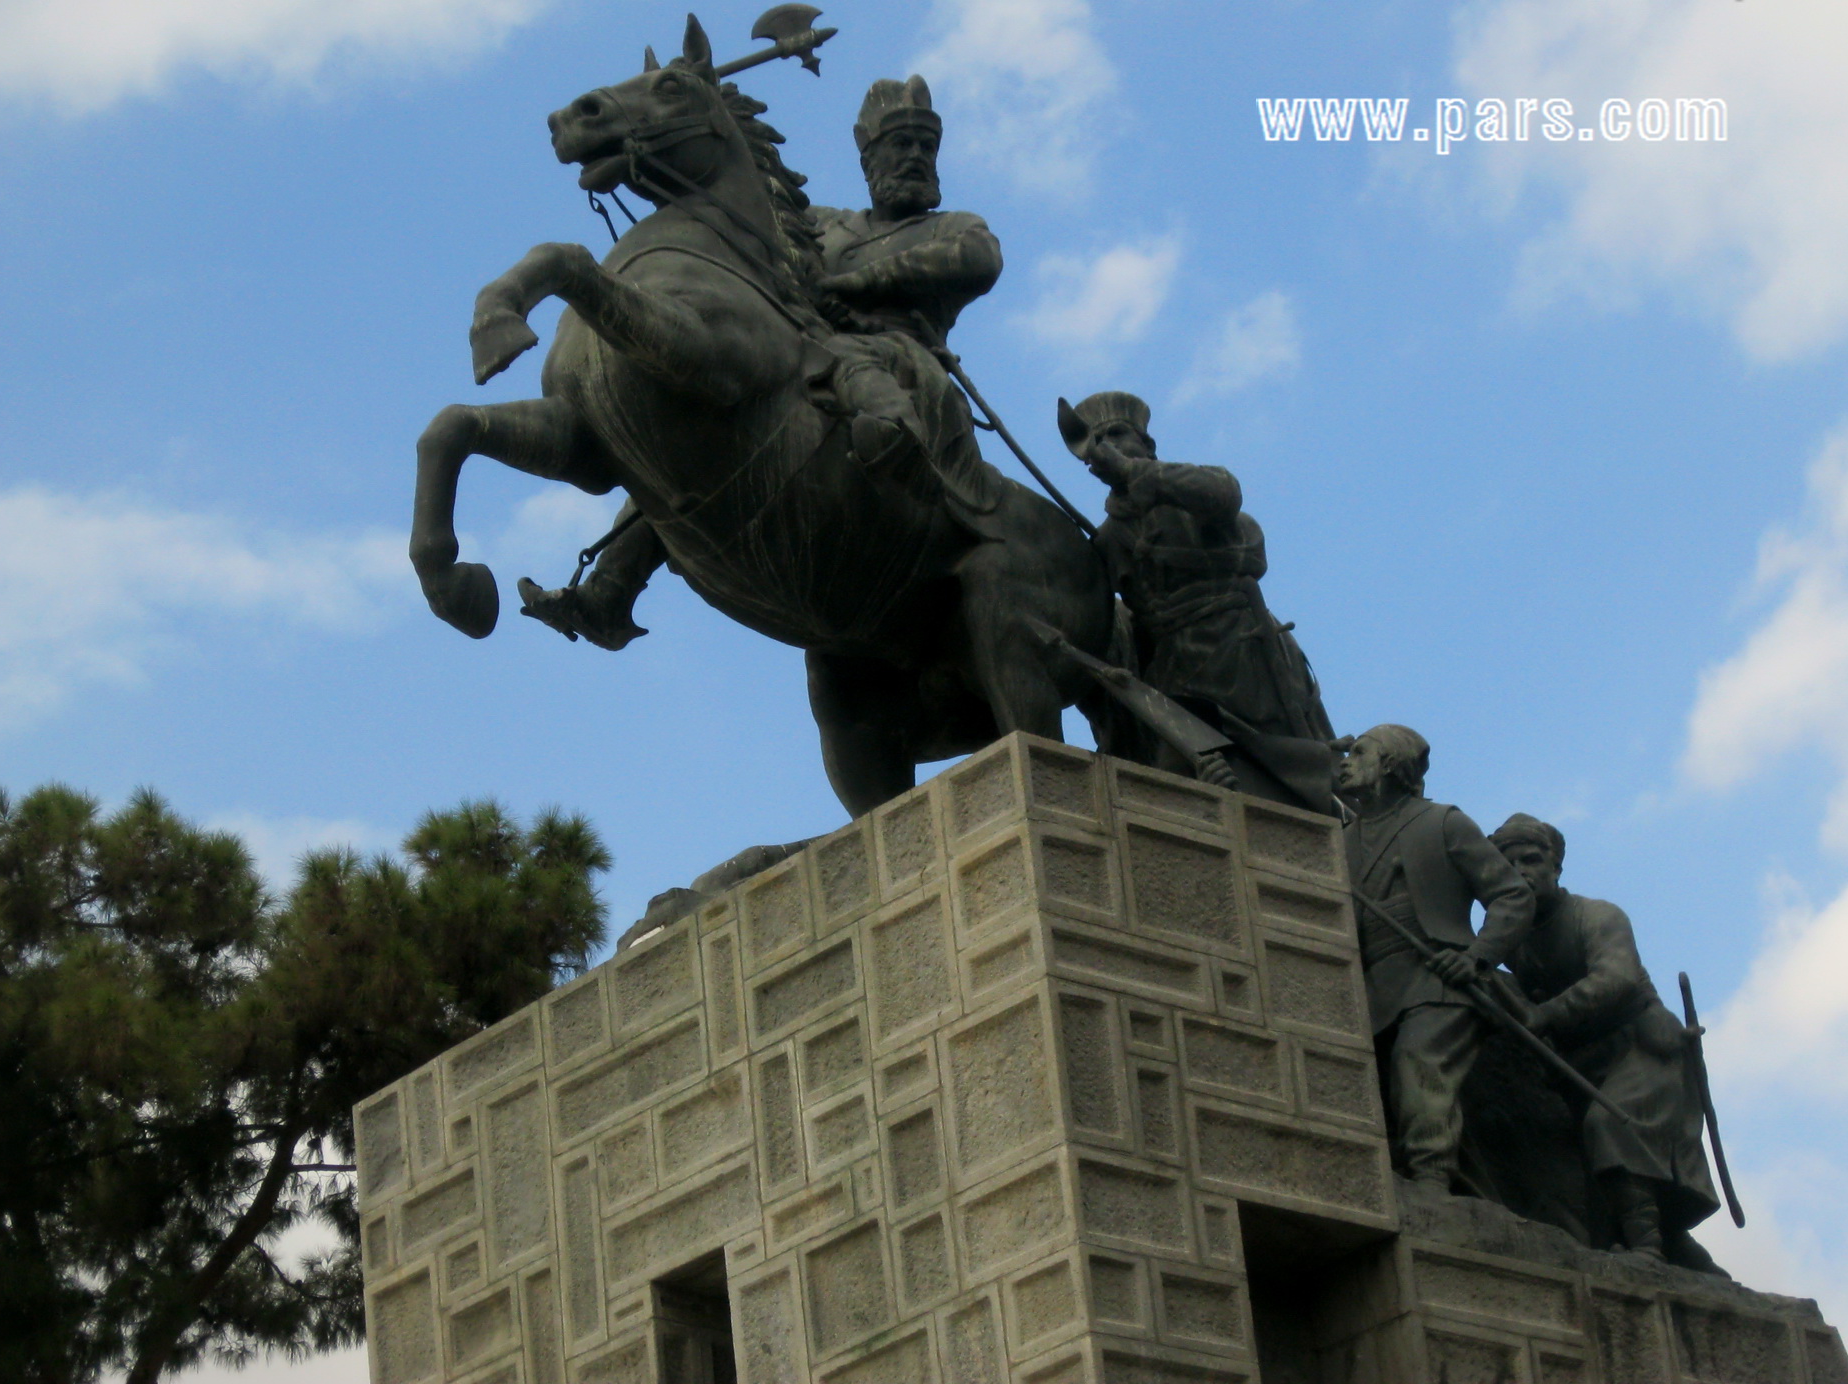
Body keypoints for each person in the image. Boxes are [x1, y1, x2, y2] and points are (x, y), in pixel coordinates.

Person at [518, 75, 1002, 649]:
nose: (915, 157)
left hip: (889, 354)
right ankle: (610, 588)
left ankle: (905, 458)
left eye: (925, 146)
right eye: (901, 145)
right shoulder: (826, 222)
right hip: (795, 347)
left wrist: (853, 283)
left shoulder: (950, 227)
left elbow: (978, 258)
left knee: (860, 363)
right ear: (868, 154)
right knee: (687, 422)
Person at [1055, 391, 1334, 800]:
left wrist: (1134, 472)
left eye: (1116, 433)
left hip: (1242, 654)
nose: (1105, 446)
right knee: (1182, 787)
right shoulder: (1109, 539)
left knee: (1291, 773)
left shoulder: (1190, 491)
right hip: (1175, 674)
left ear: (1146, 445)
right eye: (1097, 441)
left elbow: (1225, 493)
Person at [1487, 813, 1724, 1270]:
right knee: (1588, 1160)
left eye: (1532, 860)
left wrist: (1546, 1014)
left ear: (1555, 866)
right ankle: (1672, 1245)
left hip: (1641, 1045)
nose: (1521, 870)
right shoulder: (1515, 940)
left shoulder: (1597, 915)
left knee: (1611, 1125)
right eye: (1508, 863)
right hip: (1581, 1059)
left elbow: (1615, 979)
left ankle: (1648, 1249)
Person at [1337, 725, 1534, 1192]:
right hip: (1371, 987)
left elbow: (1512, 896)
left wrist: (1478, 957)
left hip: (1437, 976)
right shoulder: (1339, 839)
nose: (1345, 761)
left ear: (1388, 764)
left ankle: (1430, 1176)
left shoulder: (1443, 822)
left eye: (1358, 752)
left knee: (1418, 1058)